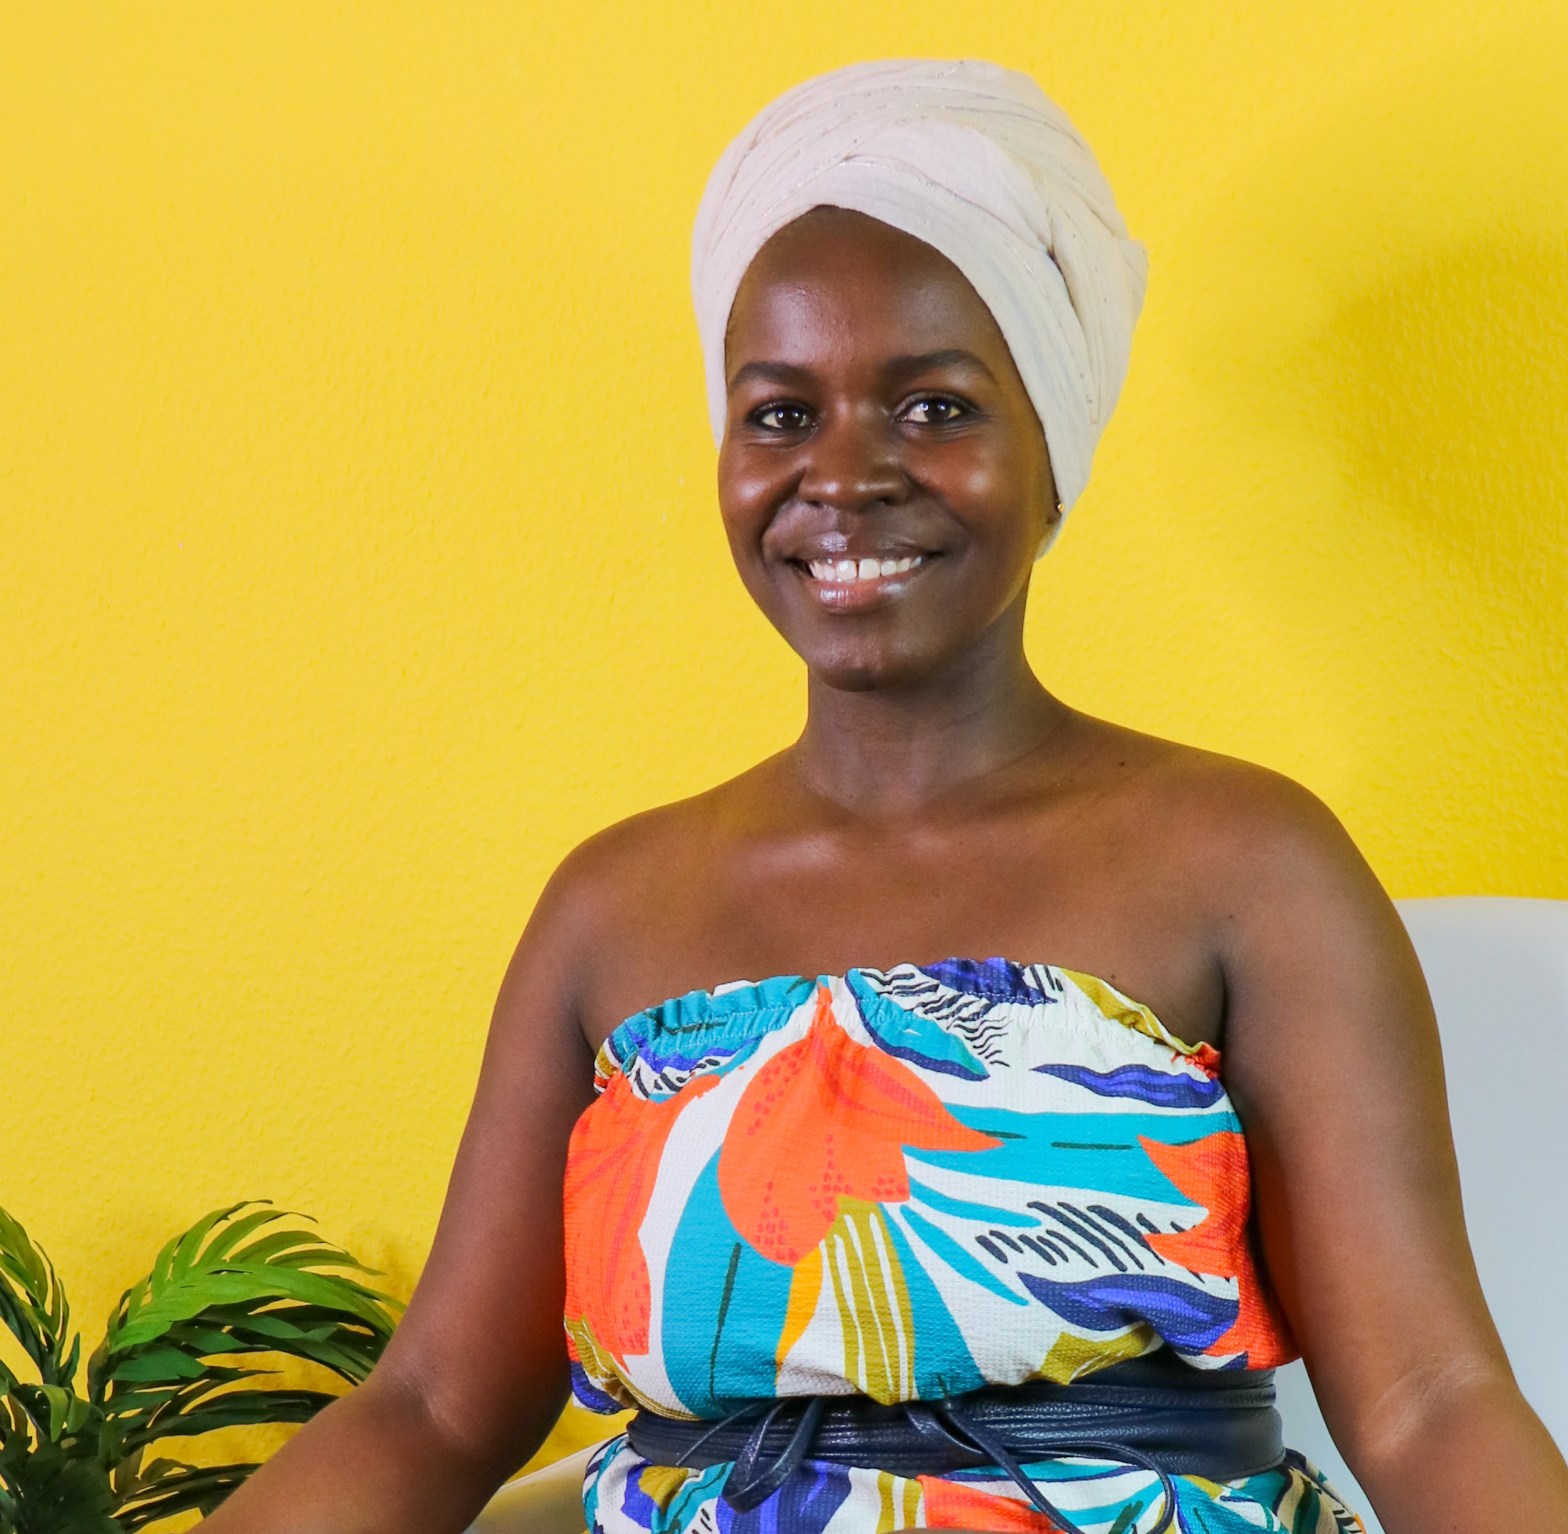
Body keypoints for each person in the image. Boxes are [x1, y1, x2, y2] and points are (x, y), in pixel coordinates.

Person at [203, 58, 1568, 1534]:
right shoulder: (611, 907)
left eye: (932, 406)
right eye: (781, 415)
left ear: (1055, 450)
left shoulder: (1246, 862)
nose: (844, 475)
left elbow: (1431, 1397)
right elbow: (433, 1407)